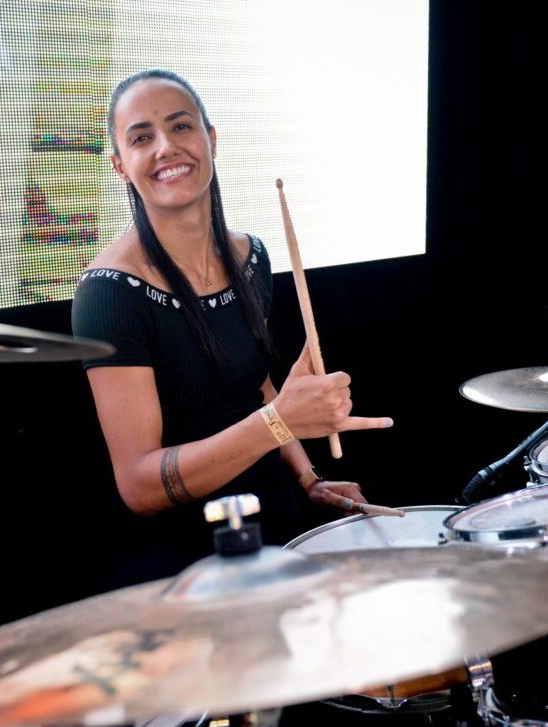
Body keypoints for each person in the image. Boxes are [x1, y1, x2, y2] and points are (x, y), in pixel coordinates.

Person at [72, 69, 393, 589]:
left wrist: (308, 479)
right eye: (142, 138)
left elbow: (256, 387)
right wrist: (279, 422)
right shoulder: (108, 293)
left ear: (211, 139)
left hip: (273, 521)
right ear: (120, 165)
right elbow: (140, 486)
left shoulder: (251, 256)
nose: (166, 147)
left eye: (181, 126)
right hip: (184, 558)